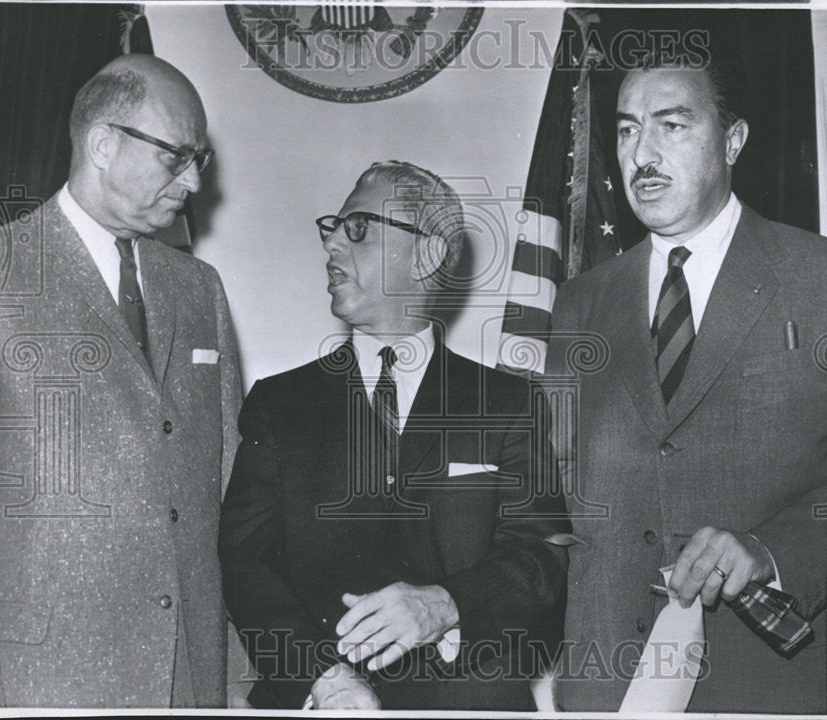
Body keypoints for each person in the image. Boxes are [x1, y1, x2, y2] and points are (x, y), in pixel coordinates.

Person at [218, 161, 569, 711]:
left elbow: (543, 559)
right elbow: (244, 562)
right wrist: (325, 679)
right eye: (331, 228)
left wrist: (446, 604)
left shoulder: (507, 403)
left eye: (357, 228)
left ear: (428, 254)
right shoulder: (278, 404)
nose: (332, 244)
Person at [546, 57, 827, 713]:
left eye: (671, 125)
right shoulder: (581, 303)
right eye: (625, 131)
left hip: (763, 685)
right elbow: (569, 503)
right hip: (605, 684)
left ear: (733, 141)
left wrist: (769, 553)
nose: (641, 153)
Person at [0, 54, 242, 707]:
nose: (195, 180)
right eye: (178, 156)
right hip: (52, 683)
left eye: (199, 158)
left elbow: (226, 482)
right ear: (102, 144)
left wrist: (232, 672)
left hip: (191, 676)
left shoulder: (199, 287)